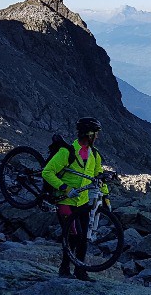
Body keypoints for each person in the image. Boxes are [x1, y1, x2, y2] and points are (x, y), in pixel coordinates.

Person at [41, 117, 110, 280]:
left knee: (83, 237)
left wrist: (105, 196)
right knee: (73, 235)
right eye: (96, 134)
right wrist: (65, 188)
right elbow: (47, 172)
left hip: (83, 202)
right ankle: (64, 269)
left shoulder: (94, 154)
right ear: (89, 134)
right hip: (65, 201)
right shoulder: (67, 152)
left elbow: (98, 177)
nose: (97, 137)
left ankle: (80, 271)